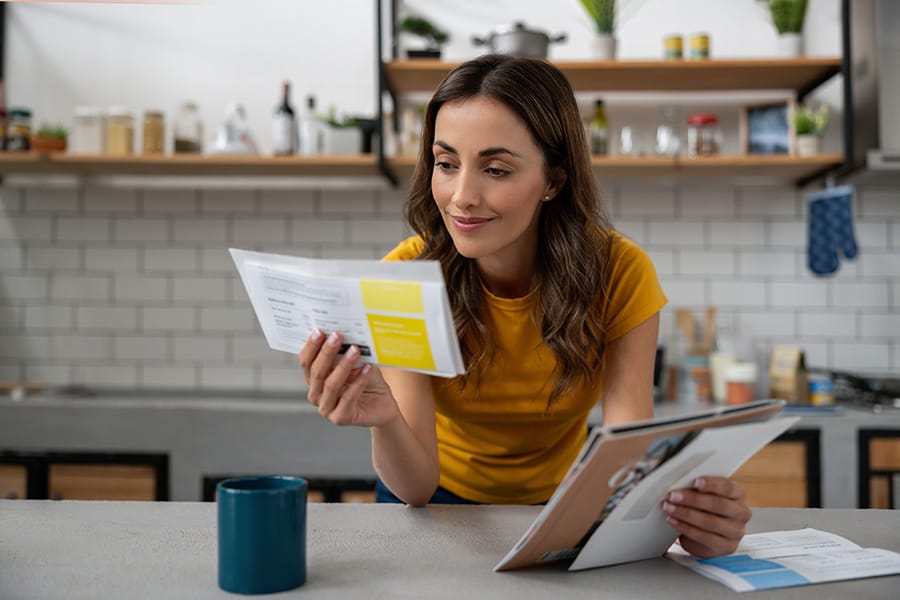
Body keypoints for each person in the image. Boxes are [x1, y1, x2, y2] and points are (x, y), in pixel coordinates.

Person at [299, 53, 751, 558]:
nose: (462, 197)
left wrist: (694, 520)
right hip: (429, 502)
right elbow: (417, 486)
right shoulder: (404, 277)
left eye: (495, 169)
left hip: (564, 503)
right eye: (446, 164)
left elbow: (627, 450)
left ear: (554, 180)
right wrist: (385, 419)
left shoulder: (620, 273)